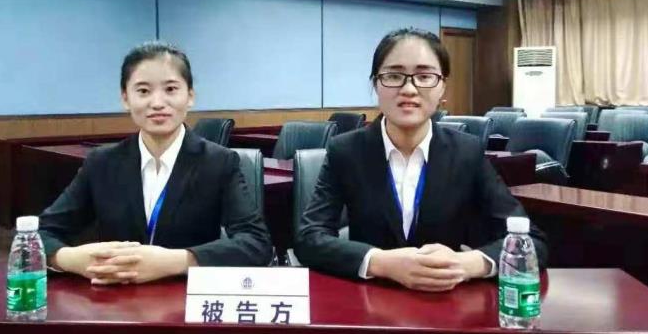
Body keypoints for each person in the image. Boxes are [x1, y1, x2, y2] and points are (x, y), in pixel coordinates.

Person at [294, 28, 547, 291]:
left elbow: (532, 241)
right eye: (394, 76)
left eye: (425, 76)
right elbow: (309, 238)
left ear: (442, 87)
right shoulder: (346, 151)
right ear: (375, 84)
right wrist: (380, 262)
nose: (409, 89)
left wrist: (467, 264)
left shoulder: (466, 152)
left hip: (445, 300)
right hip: (370, 299)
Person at [39, 41, 273, 285]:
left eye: (171, 89)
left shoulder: (219, 162)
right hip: (115, 296)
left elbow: (256, 243)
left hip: (186, 298)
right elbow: (37, 235)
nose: (157, 102)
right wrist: (70, 259)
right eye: (143, 91)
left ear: (190, 96)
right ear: (125, 98)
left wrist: (176, 261)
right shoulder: (101, 164)